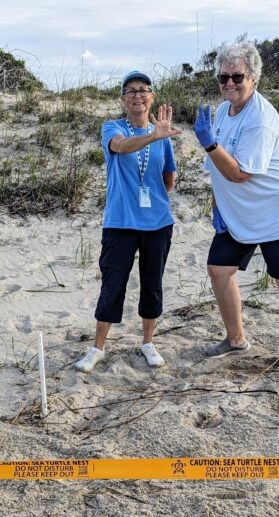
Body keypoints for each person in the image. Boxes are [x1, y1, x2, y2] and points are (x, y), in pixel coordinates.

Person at [193, 42, 279, 373]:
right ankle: (236, 340)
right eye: (223, 77)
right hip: (239, 214)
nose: (229, 83)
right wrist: (217, 207)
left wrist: (210, 143)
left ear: (254, 79)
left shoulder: (261, 118)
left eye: (237, 76)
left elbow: (240, 172)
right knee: (219, 270)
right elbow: (218, 171)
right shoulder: (221, 112)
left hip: (277, 209)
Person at [74, 71, 181, 373]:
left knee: (152, 284)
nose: (137, 95)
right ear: (122, 99)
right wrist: (152, 136)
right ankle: (97, 348)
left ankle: (148, 342)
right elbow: (120, 147)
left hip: (157, 222)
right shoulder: (112, 127)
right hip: (120, 222)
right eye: (130, 91)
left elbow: (169, 179)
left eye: (143, 90)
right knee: (112, 284)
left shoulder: (163, 135)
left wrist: (158, 138)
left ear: (152, 97)